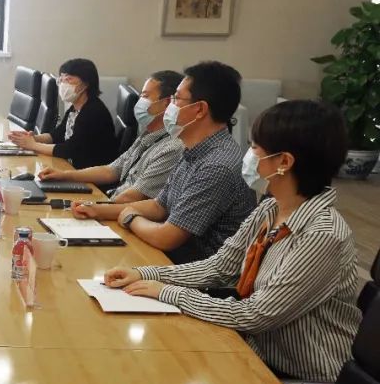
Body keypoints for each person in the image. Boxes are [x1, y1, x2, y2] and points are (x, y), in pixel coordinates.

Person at [105, 100, 359, 382]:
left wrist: (167, 292)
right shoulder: (271, 208)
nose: (248, 156)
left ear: (284, 162)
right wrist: (145, 274)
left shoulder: (322, 235)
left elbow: (256, 315)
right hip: (254, 352)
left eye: (255, 148)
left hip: (299, 378)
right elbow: (220, 267)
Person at [74, 61, 256, 264]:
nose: (170, 106)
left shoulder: (216, 165)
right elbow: (159, 206)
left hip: (193, 270)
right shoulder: (194, 148)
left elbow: (167, 237)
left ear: (199, 109)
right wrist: (96, 209)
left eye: (177, 99)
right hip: (172, 256)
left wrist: (130, 217)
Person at [37, 70, 185, 203]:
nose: (140, 102)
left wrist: (94, 208)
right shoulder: (147, 135)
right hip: (111, 202)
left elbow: (132, 198)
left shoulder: (171, 148)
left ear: (167, 103)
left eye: (145, 96)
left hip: (118, 209)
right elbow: (111, 170)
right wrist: (64, 175)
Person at [8, 58, 117, 169]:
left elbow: (69, 149)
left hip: (88, 174)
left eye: (68, 79)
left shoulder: (93, 112)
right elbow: (57, 135)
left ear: (85, 84)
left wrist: (33, 145)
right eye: (61, 79)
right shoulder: (75, 108)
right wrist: (33, 138)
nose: (63, 84)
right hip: (73, 167)